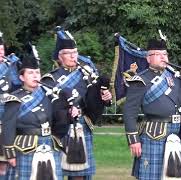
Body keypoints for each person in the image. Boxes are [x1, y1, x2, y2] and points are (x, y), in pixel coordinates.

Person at [123, 38, 181, 180]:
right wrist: (133, 139)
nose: (163, 57)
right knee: (151, 176)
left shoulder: (175, 77)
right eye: (158, 54)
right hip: (153, 132)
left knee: (172, 176)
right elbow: (129, 111)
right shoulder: (140, 80)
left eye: (165, 54)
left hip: (174, 132)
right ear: (148, 58)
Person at [42, 27, 112, 180]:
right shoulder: (51, 79)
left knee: (80, 174)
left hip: (81, 126)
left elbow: (93, 101)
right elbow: (48, 106)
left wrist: (105, 97)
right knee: (56, 172)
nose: (73, 56)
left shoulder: (86, 74)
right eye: (68, 53)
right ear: (60, 57)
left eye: (75, 52)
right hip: (60, 128)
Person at [1, 51, 76, 180]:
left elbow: (58, 121)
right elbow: (8, 126)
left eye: (37, 72)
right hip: (26, 147)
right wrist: (10, 154)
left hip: (49, 144)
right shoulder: (14, 99)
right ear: (22, 77)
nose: (35, 76)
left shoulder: (49, 95)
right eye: (30, 73)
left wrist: (69, 112)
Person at [0, 31, 21, 180]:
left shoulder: (10, 65)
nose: (1, 54)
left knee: (4, 161)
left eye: (2, 50)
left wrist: (17, 66)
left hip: (6, 117)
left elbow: (18, 85)